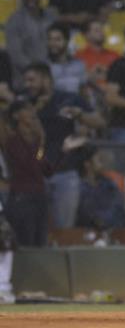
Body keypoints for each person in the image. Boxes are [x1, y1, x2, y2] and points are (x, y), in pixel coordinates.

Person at [21, 62, 104, 230]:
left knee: (64, 229)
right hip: (35, 175)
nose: (27, 85)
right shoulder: (24, 104)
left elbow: (100, 122)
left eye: (32, 80)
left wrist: (79, 114)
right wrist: (35, 110)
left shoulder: (68, 99)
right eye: (26, 81)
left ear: (46, 80)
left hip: (66, 173)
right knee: (36, 229)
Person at [0, 98, 50, 246]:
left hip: (38, 195)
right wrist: (40, 144)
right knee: (26, 242)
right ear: (16, 116)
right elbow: (28, 164)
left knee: (40, 242)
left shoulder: (35, 143)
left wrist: (41, 146)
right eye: (26, 109)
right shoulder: (12, 141)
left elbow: (43, 165)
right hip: (22, 197)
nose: (32, 113)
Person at [5, 0, 54, 85]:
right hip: (26, 79)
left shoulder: (51, 16)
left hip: (52, 75)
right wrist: (39, 72)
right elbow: (16, 55)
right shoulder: (14, 21)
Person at [75, 19, 119, 86]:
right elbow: (76, 80)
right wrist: (90, 74)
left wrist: (108, 72)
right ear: (86, 35)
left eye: (101, 30)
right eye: (96, 30)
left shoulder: (114, 55)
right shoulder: (78, 57)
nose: (101, 32)